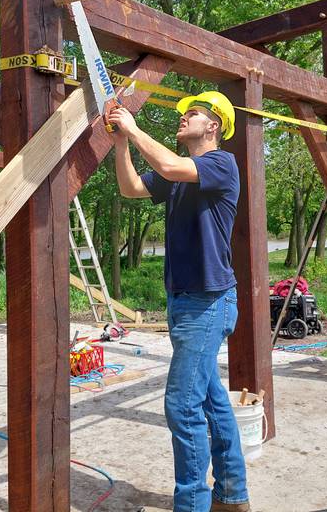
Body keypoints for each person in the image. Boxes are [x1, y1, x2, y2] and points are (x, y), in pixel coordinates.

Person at [106, 91, 250, 512]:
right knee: (210, 399)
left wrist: (133, 129)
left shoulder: (221, 164)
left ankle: (192, 504)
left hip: (208, 302)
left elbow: (168, 164)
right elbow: (131, 187)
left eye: (195, 113)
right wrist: (120, 142)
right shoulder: (178, 176)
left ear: (214, 126)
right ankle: (233, 495)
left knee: (181, 404)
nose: (184, 117)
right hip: (185, 301)